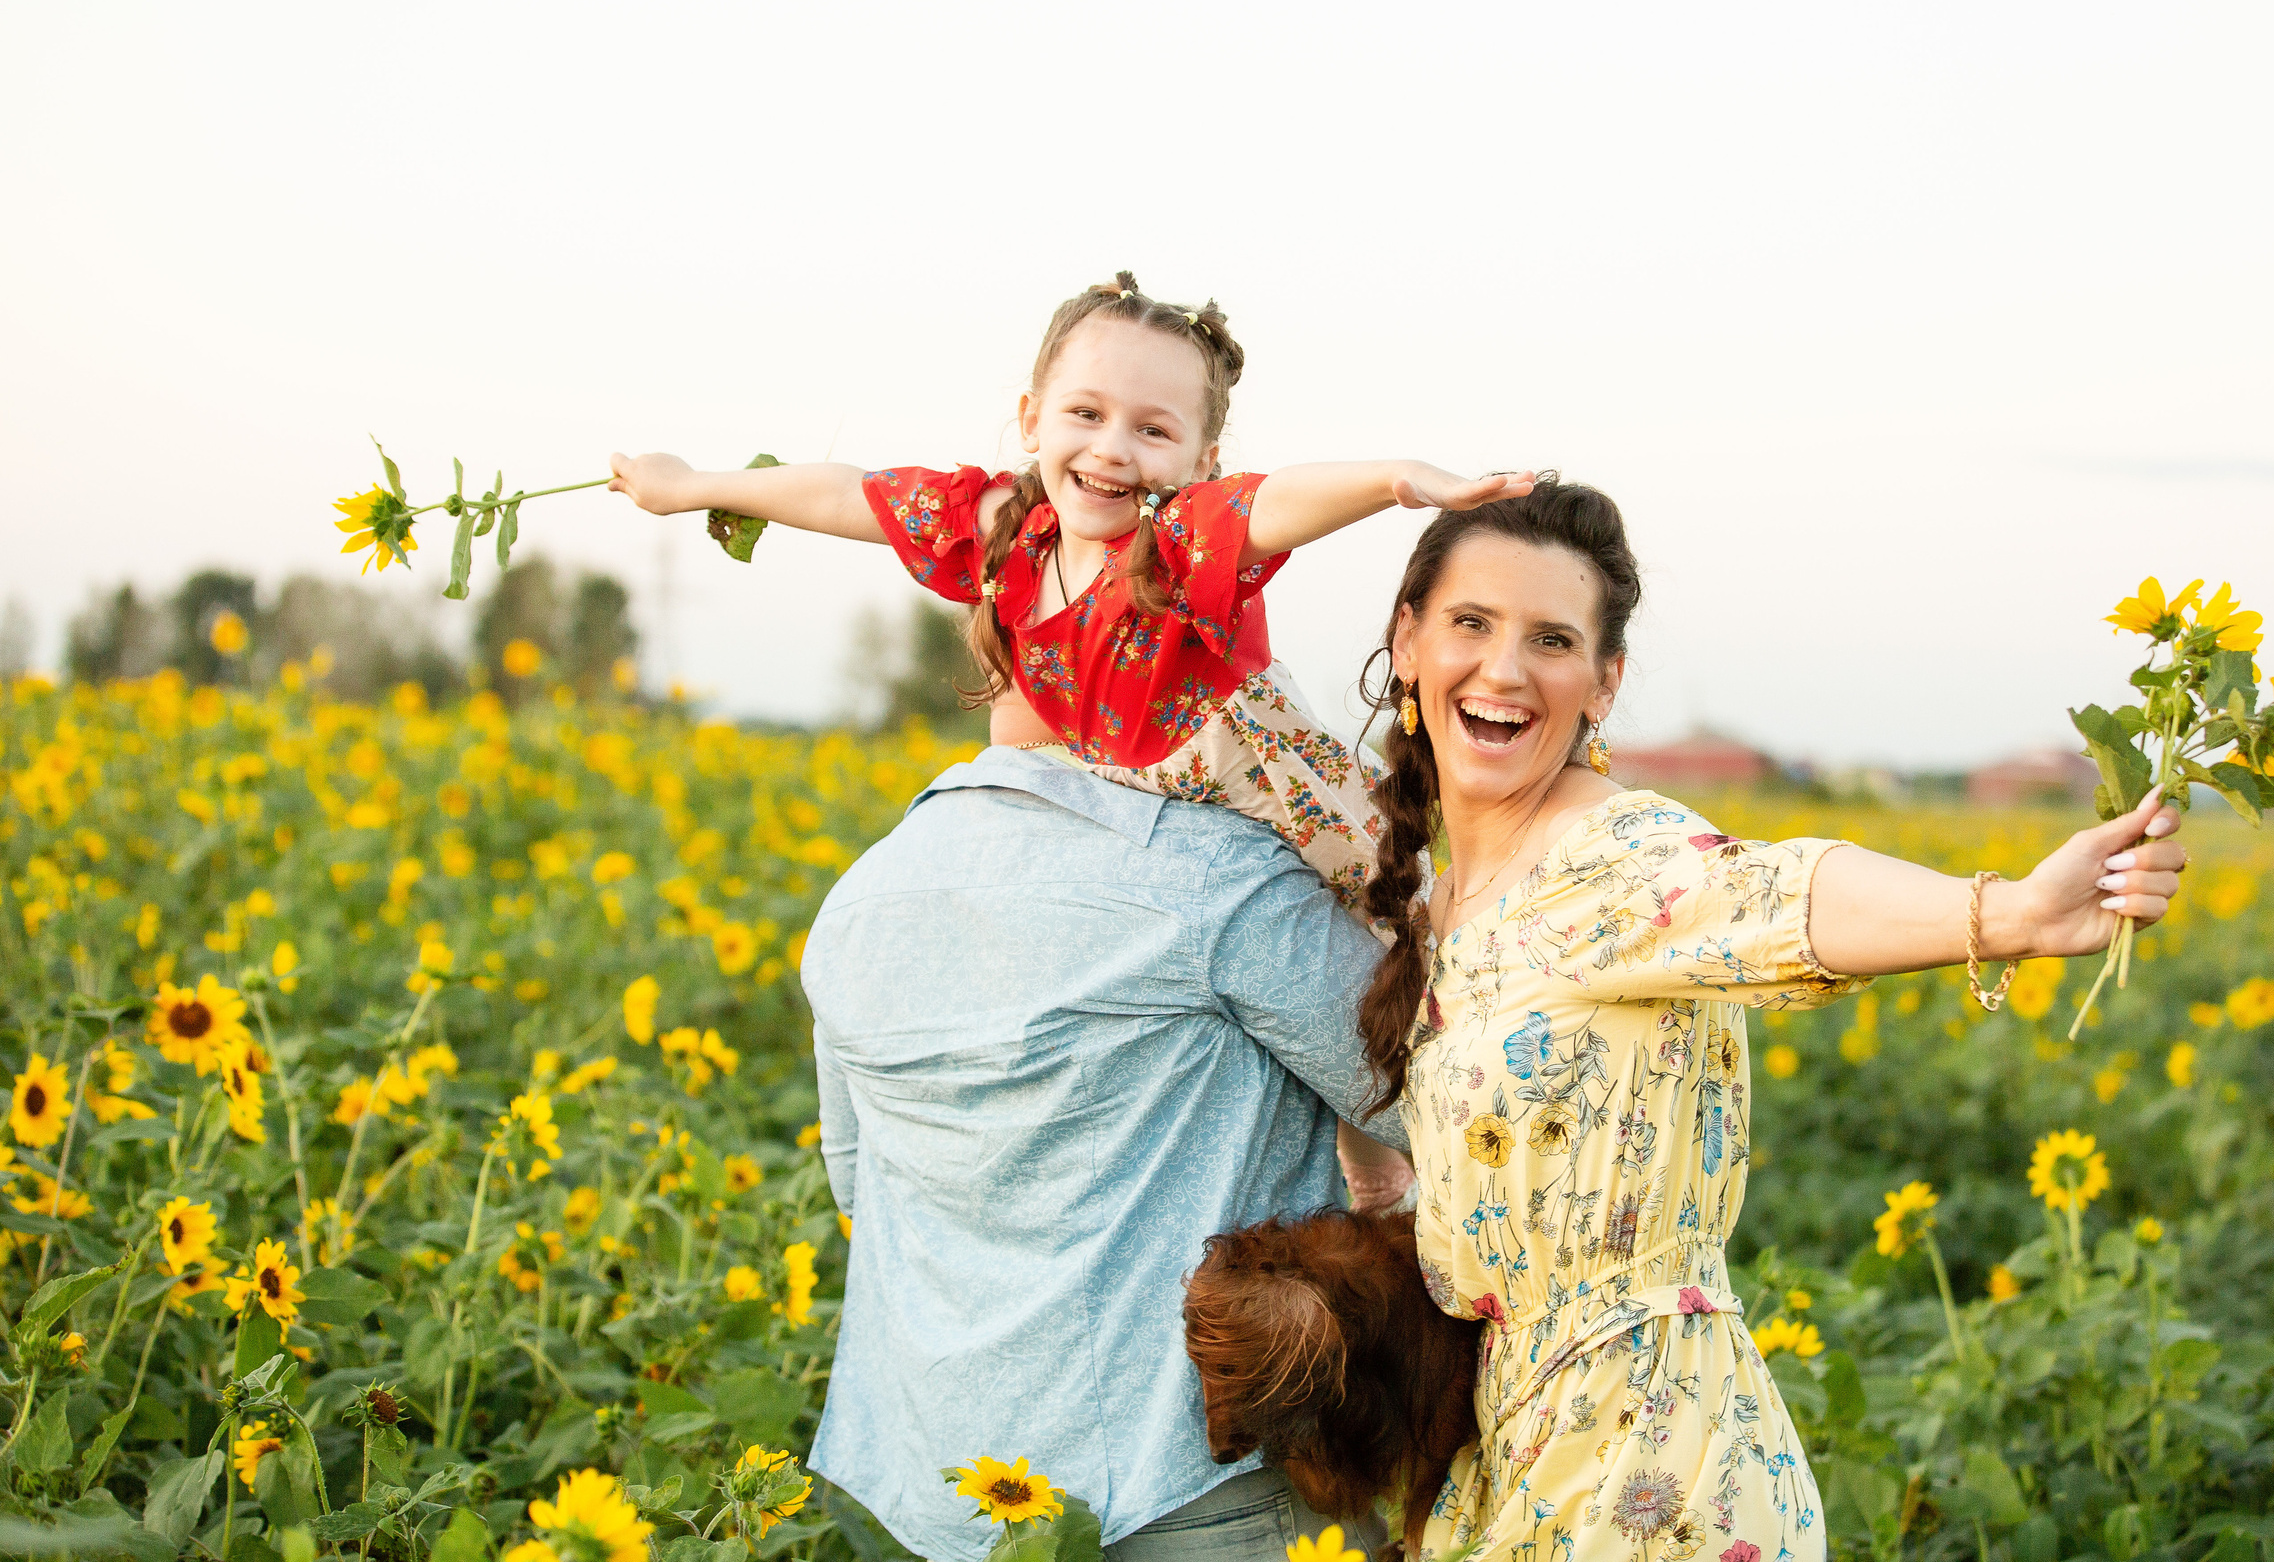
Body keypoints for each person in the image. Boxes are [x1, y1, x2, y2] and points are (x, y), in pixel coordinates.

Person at [1354, 477, 2189, 1562]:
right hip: (1508, 1440)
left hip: (1651, 1459)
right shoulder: (1439, 892)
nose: (1505, 668)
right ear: (1408, 638)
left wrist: (2011, 910)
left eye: (1551, 638)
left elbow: (1781, 893)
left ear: (1602, 684)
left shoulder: (1612, 853)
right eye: (1472, 622)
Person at [607, 270, 1521, 1206]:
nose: (1113, 451)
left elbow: (1276, 503)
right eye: (1085, 413)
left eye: (1154, 430)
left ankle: (1376, 1167)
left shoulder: (1176, 539)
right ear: (1031, 418)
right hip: (1108, 784)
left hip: (1251, 772)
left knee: (1383, 926)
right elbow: (851, 496)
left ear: (1202, 458)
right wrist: (696, 488)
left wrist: (1396, 481)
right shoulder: (1004, 528)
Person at [794, 747, 1404, 1561]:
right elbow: (1445, 1097)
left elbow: (855, 1187)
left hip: (963, 1504)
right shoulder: (1208, 872)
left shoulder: (860, 895)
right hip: (1194, 1489)